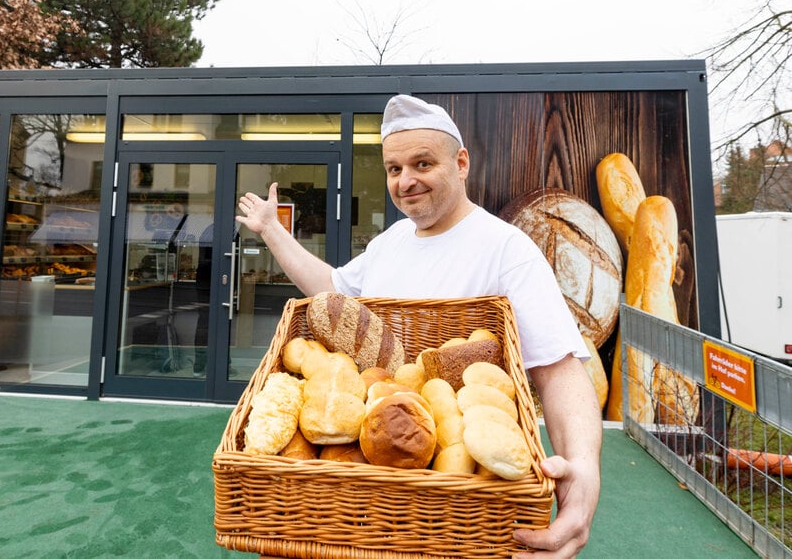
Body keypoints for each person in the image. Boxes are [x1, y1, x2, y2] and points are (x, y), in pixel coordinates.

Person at [235, 94, 602, 558]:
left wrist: (584, 470)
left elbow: (560, 368)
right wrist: (272, 231)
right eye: (393, 169)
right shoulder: (391, 242)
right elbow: (331, 288)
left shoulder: (506, 249)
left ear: (461, 163)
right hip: (372, 501)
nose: (405, 181)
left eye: (422, 163)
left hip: (455, 515)